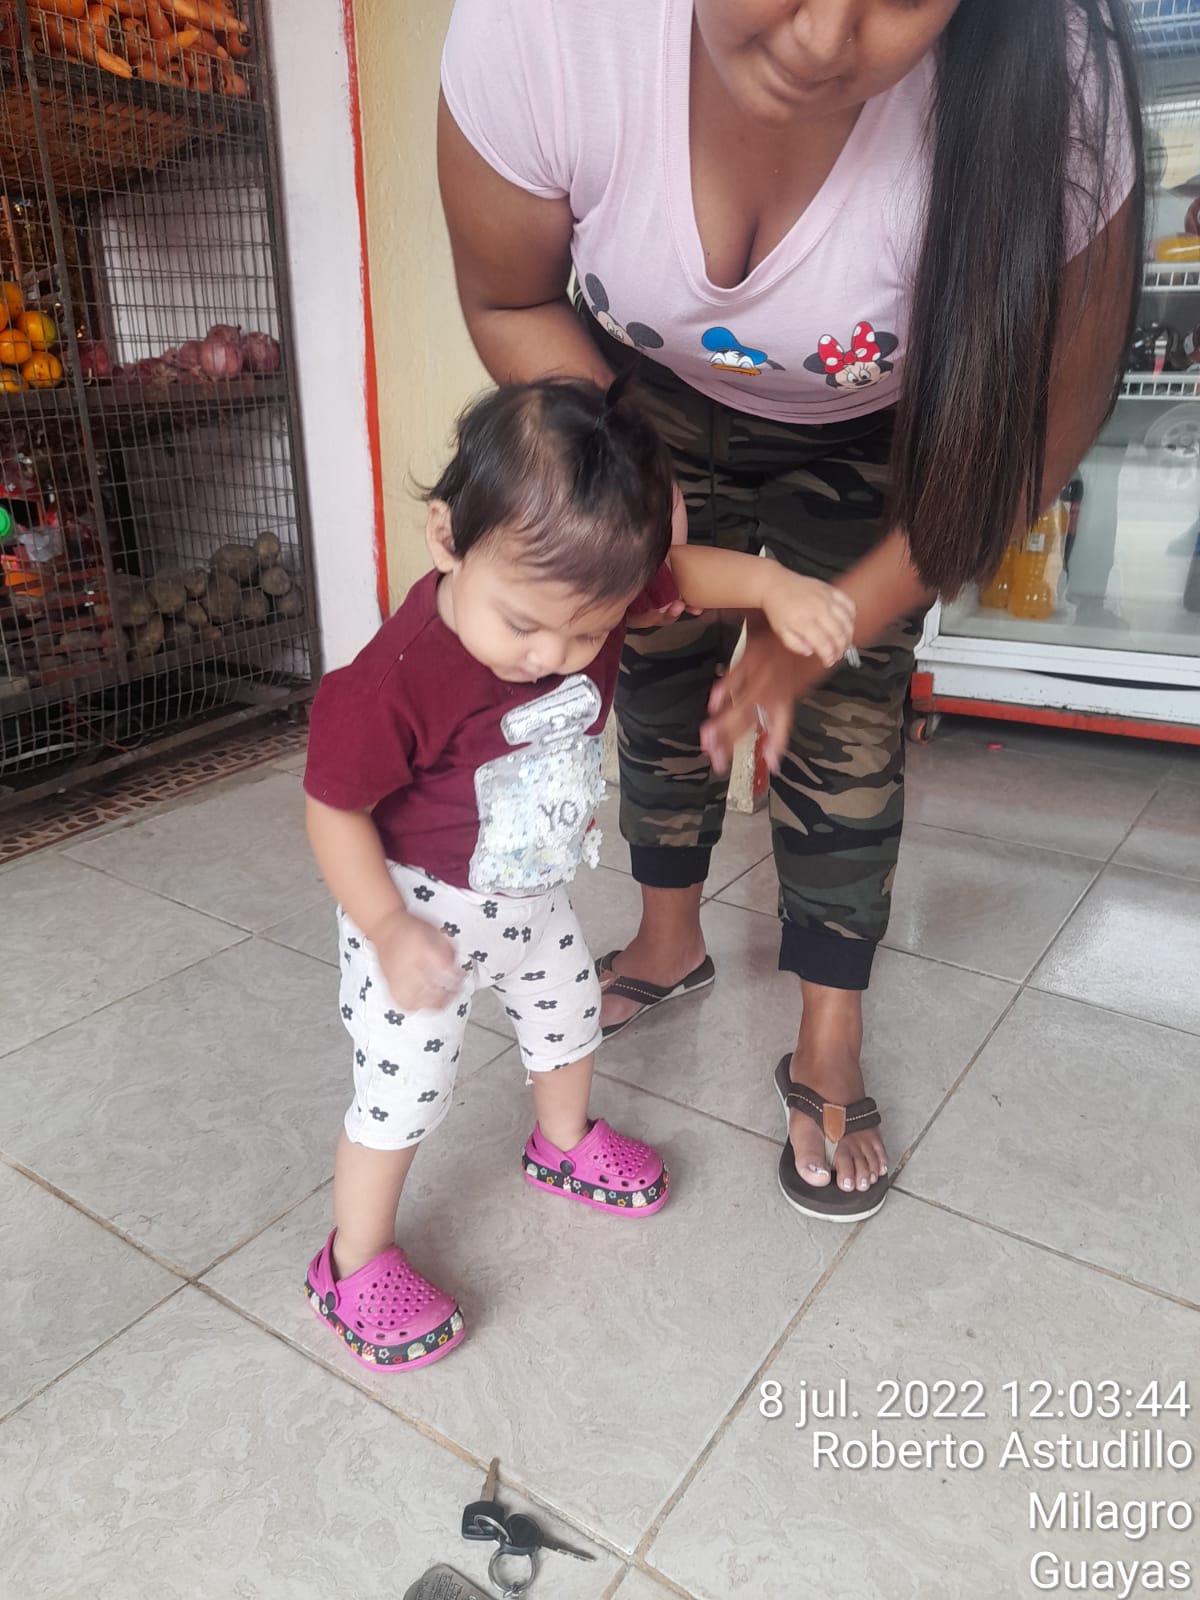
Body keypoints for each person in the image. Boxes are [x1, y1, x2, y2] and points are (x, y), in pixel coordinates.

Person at [437, 0, 1144, 1221]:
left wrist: (834, 615)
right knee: (657, 661)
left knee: (848, 717)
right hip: (635, 395)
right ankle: (669, 939)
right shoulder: (544, 26)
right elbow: (508, 298)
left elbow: (1030, 435)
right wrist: (644, 506)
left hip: (885, 432)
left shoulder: (1061, 80)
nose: (822, 39)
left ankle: (829, 1028)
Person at [301, 376, 855, 1370]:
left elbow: (683, 572)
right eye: (523, 624)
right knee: (404, 1089)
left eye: (590, 632)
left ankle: (560, 1143)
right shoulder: (393, 680)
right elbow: (333, 808)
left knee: (569, 1017)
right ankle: (353, 1259)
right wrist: (386, 927)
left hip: (531, 893)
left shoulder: (585, 586)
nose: (553, 655)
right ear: (446, 538)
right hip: (417, 906)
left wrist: (775, 588)